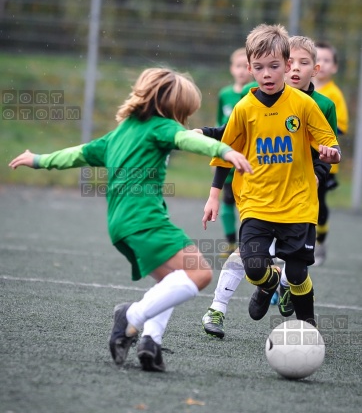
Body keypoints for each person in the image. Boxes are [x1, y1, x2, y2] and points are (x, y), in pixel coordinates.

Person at [9, 67, 252, 372]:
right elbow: (191, 141)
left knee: (170, 280)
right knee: (200, 274)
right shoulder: (160, 127)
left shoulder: (119, 133)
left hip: (119, 225)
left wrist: (40, 160)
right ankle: (131, 317)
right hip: (145, 220)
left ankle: (150, 342)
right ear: (171, 107)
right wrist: (224, 151)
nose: (184, 120)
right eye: (184, 112)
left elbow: (77, 154)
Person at [202, 24, 340, 335]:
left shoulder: (304, 105)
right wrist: (213, 195)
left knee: (298, 272)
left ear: (287, 66)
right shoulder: (243, 108)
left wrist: (332, 156)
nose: (267, 74)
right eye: (260, 68)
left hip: (299, 204)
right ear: (250, 68)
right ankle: (268, 284)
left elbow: (328, 145)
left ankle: (307, 328)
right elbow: (227, 150)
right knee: (252, 266)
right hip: (256, 203)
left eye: (274, 67)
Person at [313, 40, 349, 265]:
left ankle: (320, 242)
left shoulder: (333, 95)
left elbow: (341, 127)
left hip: (324, 161)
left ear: (334, 67)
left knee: (319, 201)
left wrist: (315, 128)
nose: (322, 64)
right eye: (318, 59)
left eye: (327, 60)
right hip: (299, 159)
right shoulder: (298, 90)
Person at [216, 48, 251, 257]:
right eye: (238, 66)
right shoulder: (224, 94)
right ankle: (230, 242)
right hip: (229, 156)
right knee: (227, 199)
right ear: (232, 68)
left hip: (250, 159)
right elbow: (220, 124)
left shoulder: (255, 93)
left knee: (247, 201)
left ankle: (250, 243)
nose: (241, 71)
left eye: (246, 66)